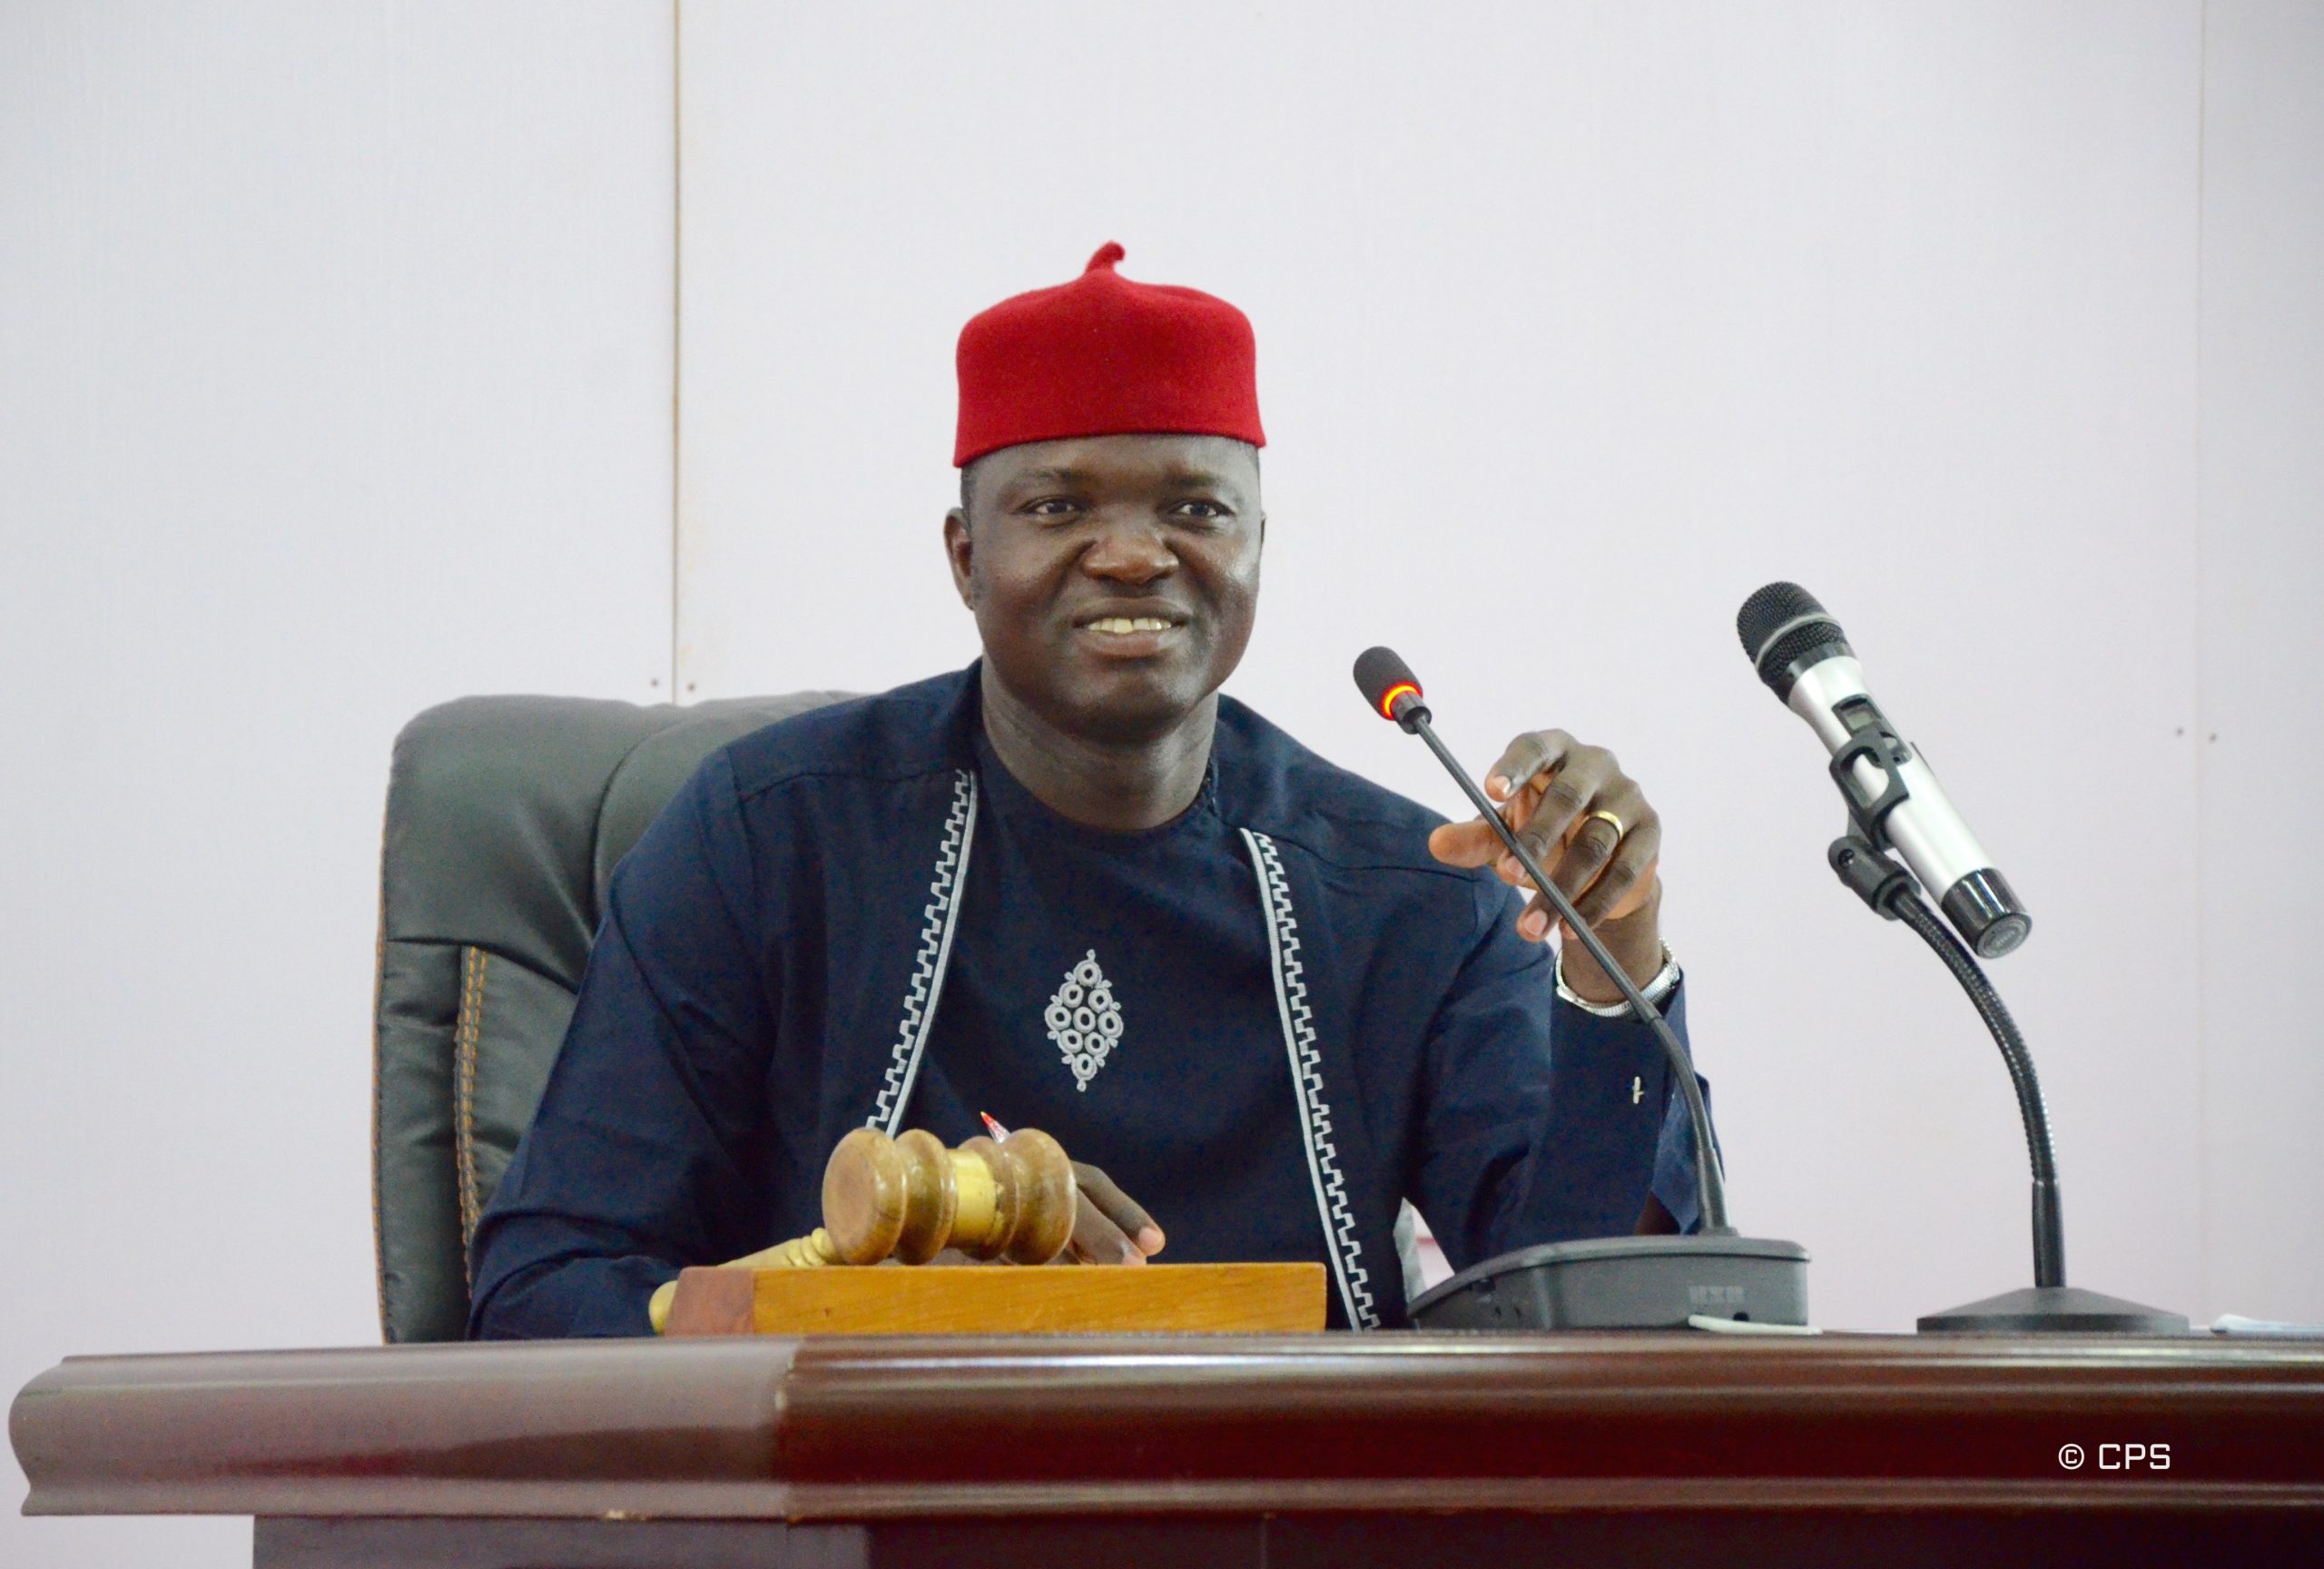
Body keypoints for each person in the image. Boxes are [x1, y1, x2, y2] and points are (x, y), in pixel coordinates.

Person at [469, 242, 1705, 1336]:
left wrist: (1614, 972)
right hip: (874, 1494)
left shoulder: (1408, 891)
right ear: (967, 557)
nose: (1129, 554)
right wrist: (878, 1283)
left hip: (1289, 1494)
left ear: (1257, 548)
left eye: (1195, 507)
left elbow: (1587, 1315)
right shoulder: (766, 840)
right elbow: (541, 1292)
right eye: (1058, 506)